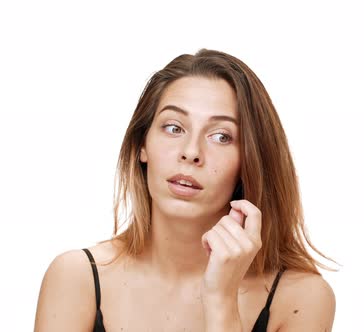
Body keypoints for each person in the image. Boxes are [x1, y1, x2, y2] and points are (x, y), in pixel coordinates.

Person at [34, 49, 337, 332]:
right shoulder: (76, 277)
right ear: (142, 144)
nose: (191, 152)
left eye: (221, 136)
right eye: (174, 127)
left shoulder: (301, 298)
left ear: (249, 161)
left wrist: (220, 300)